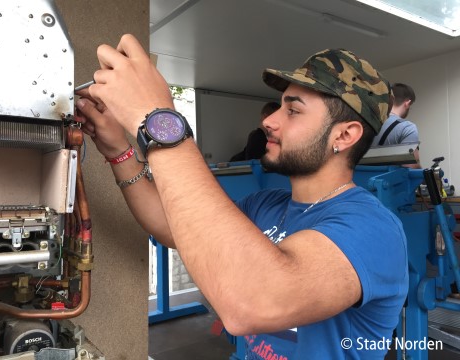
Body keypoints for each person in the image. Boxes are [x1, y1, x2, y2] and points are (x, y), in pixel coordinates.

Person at [75, 35, 408, 359]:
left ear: (345, 135)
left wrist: (159, 120)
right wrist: (119, 150)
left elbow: (252, 303)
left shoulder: (374, 228)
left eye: (293, 111)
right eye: (279, 107)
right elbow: (168, 224)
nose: (269, 121)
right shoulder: (266, 205)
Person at [371, 83, 421, 168]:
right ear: (407, 103)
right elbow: (411, 166)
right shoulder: (408, 128)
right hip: (388, 181)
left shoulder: (368, 122)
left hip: (356, 179)